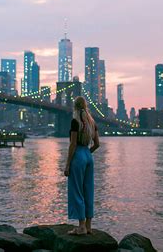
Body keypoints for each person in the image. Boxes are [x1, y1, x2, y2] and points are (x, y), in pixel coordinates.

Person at [64, 96, 100, 235]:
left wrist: (67, 165)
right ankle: (89, 226)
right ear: (85, 106)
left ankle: (81, 227)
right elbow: (97, 144)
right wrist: (87, 154)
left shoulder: (75, 121)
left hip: (78, 155)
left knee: (77, 190)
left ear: (75, 107)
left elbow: (73, 144)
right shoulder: (92, 122)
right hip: (88, 156)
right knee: (88, 190)